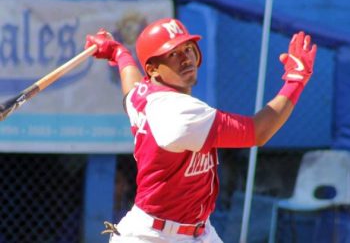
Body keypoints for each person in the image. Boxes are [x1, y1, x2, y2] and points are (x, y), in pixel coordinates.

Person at [84, 18, 317, 243]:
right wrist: (296, 80)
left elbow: (130, 85)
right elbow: (258, 131)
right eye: (172, 54)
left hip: (197, 231)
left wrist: (118, 53)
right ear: (153, 69)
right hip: (154, 237)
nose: (185, 58)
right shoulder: (179, 113)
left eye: (187, 48)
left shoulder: (144, 95)